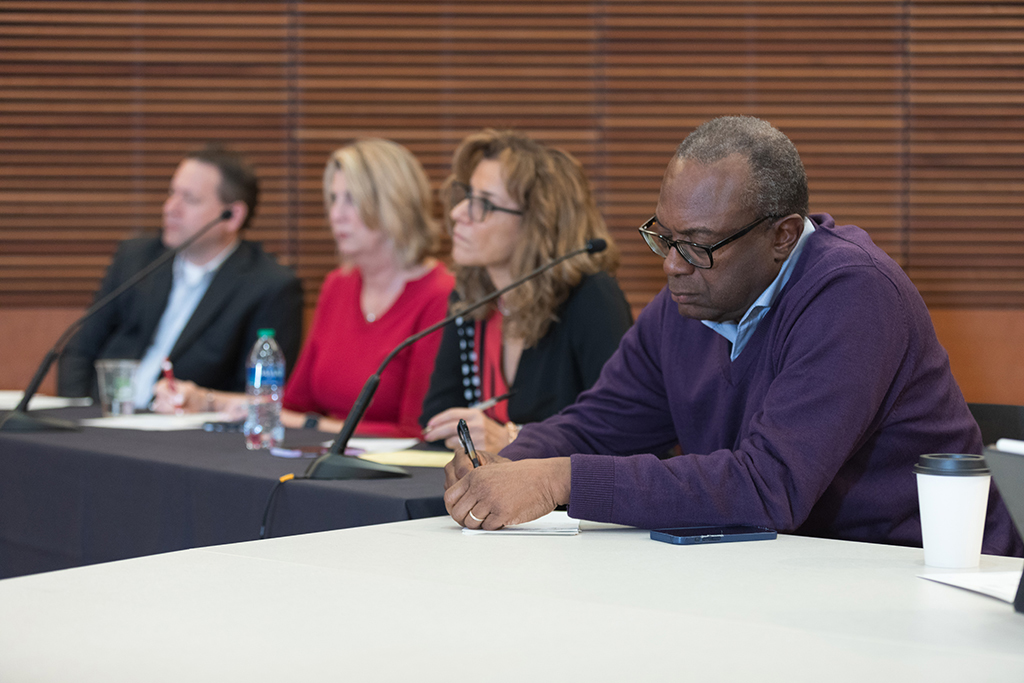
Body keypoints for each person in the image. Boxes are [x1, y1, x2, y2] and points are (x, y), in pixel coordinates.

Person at [442, 116, 1024, 557]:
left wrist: (555, 479)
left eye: (696, 244)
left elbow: (769, 486)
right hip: (785, 571)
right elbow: (602, 424)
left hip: (914, 576)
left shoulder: (854, 294)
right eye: (662, 237)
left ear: (782, 237)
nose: (672, 264)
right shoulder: (690, 296)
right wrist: (502, 464)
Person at [153, 139, 454, 438]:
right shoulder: (339, 285)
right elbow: (294, 404)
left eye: (352, 200)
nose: (336, 214)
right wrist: (204, 399)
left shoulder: (439, 294)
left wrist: (311, 425)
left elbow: (418, 432)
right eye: (334, 199)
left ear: (396, 205)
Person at [420, 130, 633, 452]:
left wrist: (513, 439)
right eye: (466, 195)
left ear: (538, 222)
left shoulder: (591, 298)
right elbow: (437, 420)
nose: (457, 213)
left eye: (483, 204)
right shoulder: (471, 295)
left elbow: (624, 432)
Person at [57, 144, 303, 406]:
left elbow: (261, 396)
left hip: (184, 435)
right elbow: (79, 351)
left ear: (232, 216)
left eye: (190, 199)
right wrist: (77, 416)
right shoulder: (136, 259)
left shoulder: (270, 287)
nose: (170, 207)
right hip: (102, 418)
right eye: (172, 193)